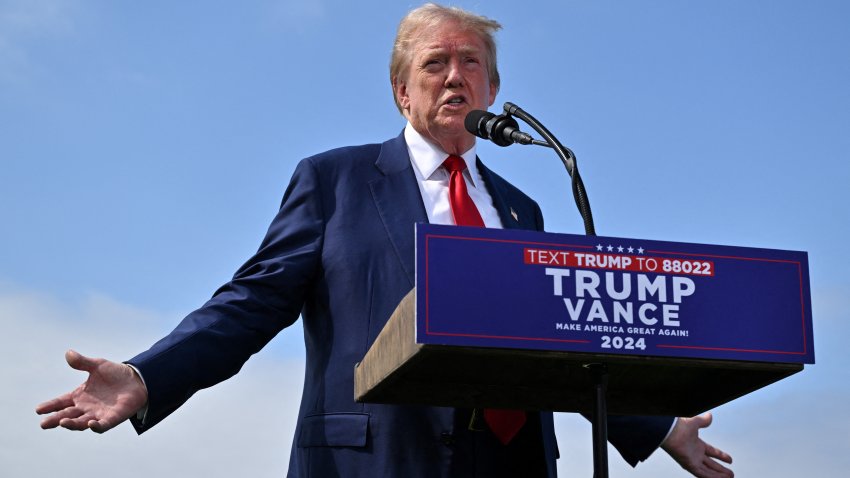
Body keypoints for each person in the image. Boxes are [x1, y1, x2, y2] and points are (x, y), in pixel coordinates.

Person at [36, 3, 734, 477]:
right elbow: (250, 304)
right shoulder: (334, 181)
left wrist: (660, 426)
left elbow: (556, 341)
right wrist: (148, 373)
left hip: (514, 462)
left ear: (493, 88)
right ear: (403, 90)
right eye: (435, 64)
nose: (454, 76)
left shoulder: (522, 208)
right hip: (376, 460)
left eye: (470, 64)